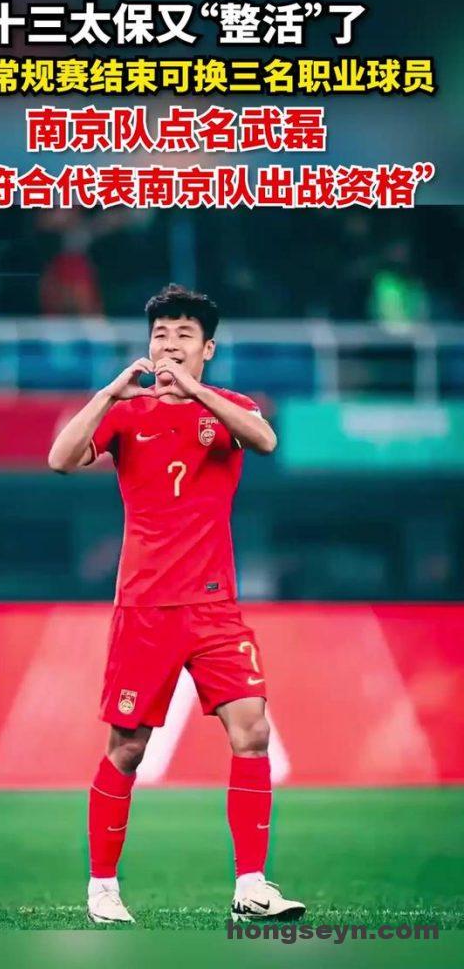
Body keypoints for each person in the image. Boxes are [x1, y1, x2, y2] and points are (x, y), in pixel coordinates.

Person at [48, 284, 305, 925]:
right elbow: (59, 460)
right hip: (145, 609)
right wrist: (109, 393)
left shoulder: (229, 408)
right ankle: (102, 887)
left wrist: (194, 392)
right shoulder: (126, 414)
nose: (168, 344)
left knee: (252, 731)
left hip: (215, 609)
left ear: (206, 349)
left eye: (183, 335)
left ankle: (252, 885)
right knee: (126, 749)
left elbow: (266, 441)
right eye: (160, 334)